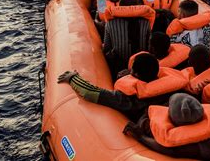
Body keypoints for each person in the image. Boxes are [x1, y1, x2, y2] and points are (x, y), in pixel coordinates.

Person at [57, 52, 188, 121]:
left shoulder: (128, 99)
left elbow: (90, 93)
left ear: (135, 74)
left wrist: (73, 78)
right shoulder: (173, 87)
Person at [102, 0, 155, 79]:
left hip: (119, 67)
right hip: (141, 67)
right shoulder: (146, 22)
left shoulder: (110, 23)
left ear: (120, 8)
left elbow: (107, 48)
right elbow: (149, 47)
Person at [127, 32, 191, 71]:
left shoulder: (149, 67)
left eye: (149, 43)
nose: (147, 44)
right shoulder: (180, 63)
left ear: (153, 48)